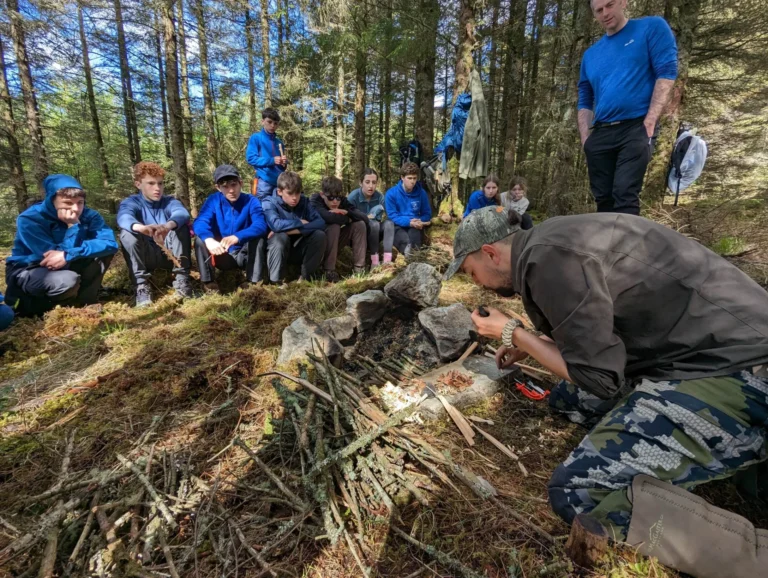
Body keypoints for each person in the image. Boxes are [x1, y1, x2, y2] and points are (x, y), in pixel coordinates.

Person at [444, 206, 768, 577]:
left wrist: (512, 334)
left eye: (472, 272)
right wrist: (534, 341)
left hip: (741, 370)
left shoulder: (549, 261)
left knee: (577, 490)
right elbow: (599, 315)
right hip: (700, 350)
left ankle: (753, 557)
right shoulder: (552, 241)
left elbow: (599, 377)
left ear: (490, 253)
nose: (477, 283)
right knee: (568, 397)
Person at [578, 0, 678, 215]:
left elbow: (667, 71)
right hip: (601, 131)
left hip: (635, 125)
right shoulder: (591, 55)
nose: (605, 13)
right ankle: (605, 248)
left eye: (609, 5)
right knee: (603, 198)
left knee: (624, 193)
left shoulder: (651, 27)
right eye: (599, 10)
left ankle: (627, 249)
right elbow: (585, 98)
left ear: (622, 2)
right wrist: (586, 139)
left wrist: (650, 121)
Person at [5, 174, 118, 317]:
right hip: (32, 268)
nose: (76, 209)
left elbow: (110, 244)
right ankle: (46, 309)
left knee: (102, 253)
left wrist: (70, 254)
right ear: (52, 200)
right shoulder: (30, 219)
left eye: (80, 202)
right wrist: (72, 228)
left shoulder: (90, 216)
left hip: (69, 261)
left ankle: (85, 302)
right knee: (66, 280)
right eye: (68, 203)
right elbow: (51, 259)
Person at [118, 161, 195, 306]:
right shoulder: (131, 202)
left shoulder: (169, 201)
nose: (157, 188)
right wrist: (141, 228)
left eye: (160, 183)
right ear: (138, 184)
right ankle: (141, 286)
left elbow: (181, 213)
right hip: (146, 255)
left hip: (170, 255)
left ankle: (182, 280)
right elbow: (124, 217)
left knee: (181, 227)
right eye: (151, 183)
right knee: (127, 233)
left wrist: (167, 226)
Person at [193, 165, 268, 292]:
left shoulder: (251, 201)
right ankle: (209, 283)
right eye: (225, 187)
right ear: (218, 187)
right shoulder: (213, 200)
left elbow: (260, 225)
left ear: (241, 183)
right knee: (200, 240)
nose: (231, 190)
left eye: (234, 185)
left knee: (258, 238)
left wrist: (237, 237)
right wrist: (209, 240)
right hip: (222, 253)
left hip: (245, 254)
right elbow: (200, 221)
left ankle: (253, 282)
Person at [261, 171, 327, 283]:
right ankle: (276, 281)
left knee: (319, 235)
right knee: (279, 236)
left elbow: (320, 223)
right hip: (275, 251)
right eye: (290, 193)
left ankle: (305, 278)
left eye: (297, 193)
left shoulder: (304, 201)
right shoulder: (269, 203)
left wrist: (292, 231)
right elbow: (276, 225)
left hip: (297, 249)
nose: (295, 198)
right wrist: (300, 222)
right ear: (280, 191)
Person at [310, 176, 368, 281]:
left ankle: (359, 268)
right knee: (334, 226)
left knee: (359, 225)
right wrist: (347, 219)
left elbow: (364, 218)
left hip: (334, 243)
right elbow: (327, 217)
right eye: (330, 198)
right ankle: (328, 270)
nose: (335, 202)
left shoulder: (342, 201)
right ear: (322, 194)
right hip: (317, 246)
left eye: (338, 198)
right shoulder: (315, 200)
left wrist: (347, 212)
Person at [384, 162, 432, 258]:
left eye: (414, 178)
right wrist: (409, 222)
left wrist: (420, 221)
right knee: (405, 243)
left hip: (415, 225)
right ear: (402, 177)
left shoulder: (421, 193)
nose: (412, 181)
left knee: (415, 244)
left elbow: (427, 213)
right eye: (409, 178)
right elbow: (392, 216)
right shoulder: (391, 194)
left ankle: (415, 257)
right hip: (397, 226)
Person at [348, 168, 394, 267]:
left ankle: (387, 261)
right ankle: (375, 261)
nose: (371, 186)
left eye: (374, 182)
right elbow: (347, 219)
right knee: (374, 224)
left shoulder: (379, 196)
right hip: (359, 236)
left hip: (376, 234)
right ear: (361, 183)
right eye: (367, 182)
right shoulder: (353, 197)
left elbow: (390, 214)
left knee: (389, 224)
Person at [245, 107, 287, 200]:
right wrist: (272, 160)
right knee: (262, 209)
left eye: (275, 123)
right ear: (262, 121)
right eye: (269, 122)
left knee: (279, 210)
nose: (272, 125)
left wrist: (284, 163)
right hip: (263, 182)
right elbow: (251, 158)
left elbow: (282, 167)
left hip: (279, 182)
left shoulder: (279, 143)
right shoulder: (256, 138)